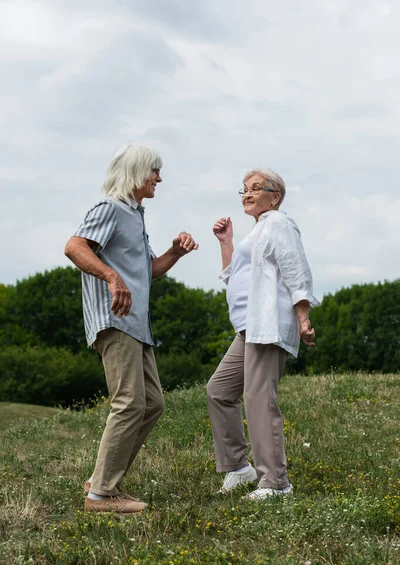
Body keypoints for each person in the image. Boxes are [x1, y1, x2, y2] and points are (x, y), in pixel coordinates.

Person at [65, 143, 198, 514]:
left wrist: (175, 252)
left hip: (137, 324)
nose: (159, 177)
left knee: (152, 403)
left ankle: (102, 480)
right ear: (137, 173)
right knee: (128, 403)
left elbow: (149, 271)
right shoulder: (109, 208)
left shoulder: (135, 216)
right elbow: (74, 247)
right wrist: (111, 277)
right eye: (154, 170)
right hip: (115, 319)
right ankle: (102, 495)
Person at [207, 168, 319, 500]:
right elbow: (234, 275)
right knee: (219, 391)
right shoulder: (256, 232)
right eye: (244, 189)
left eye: (256, 188)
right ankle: (239, 468)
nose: (248, 194)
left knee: (258, 399)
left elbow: (296, 267)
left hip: (266, 326)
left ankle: (275, 482)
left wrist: (303, 317)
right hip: (248, 329)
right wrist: (226, 243)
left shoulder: (279, 224)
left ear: (276, 196)